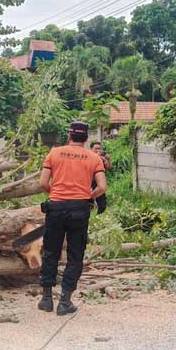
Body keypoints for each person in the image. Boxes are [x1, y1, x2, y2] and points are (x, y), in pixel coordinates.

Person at [38, 121, 107, 316]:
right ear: (85, 138)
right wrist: (87, 197)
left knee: (51, 251)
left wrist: (57, 195)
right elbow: (101, 187)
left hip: (56, 208)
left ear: (69, 135)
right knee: (75, 255)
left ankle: (46, 299)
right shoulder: (94, 157)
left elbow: (43, 183)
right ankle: (65, 301)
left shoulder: (54, 153)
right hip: (79, 209)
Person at [89, 141, 111, 214]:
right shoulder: (87, 157)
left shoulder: (102, 158)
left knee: (102, 204)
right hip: (88, 183)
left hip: (99, 183)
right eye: (96, 148)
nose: (98, 150)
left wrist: (108, 159)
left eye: (99, 149)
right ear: (91, 149)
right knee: (89, 203)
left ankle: (99, 215)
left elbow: (109, 168)